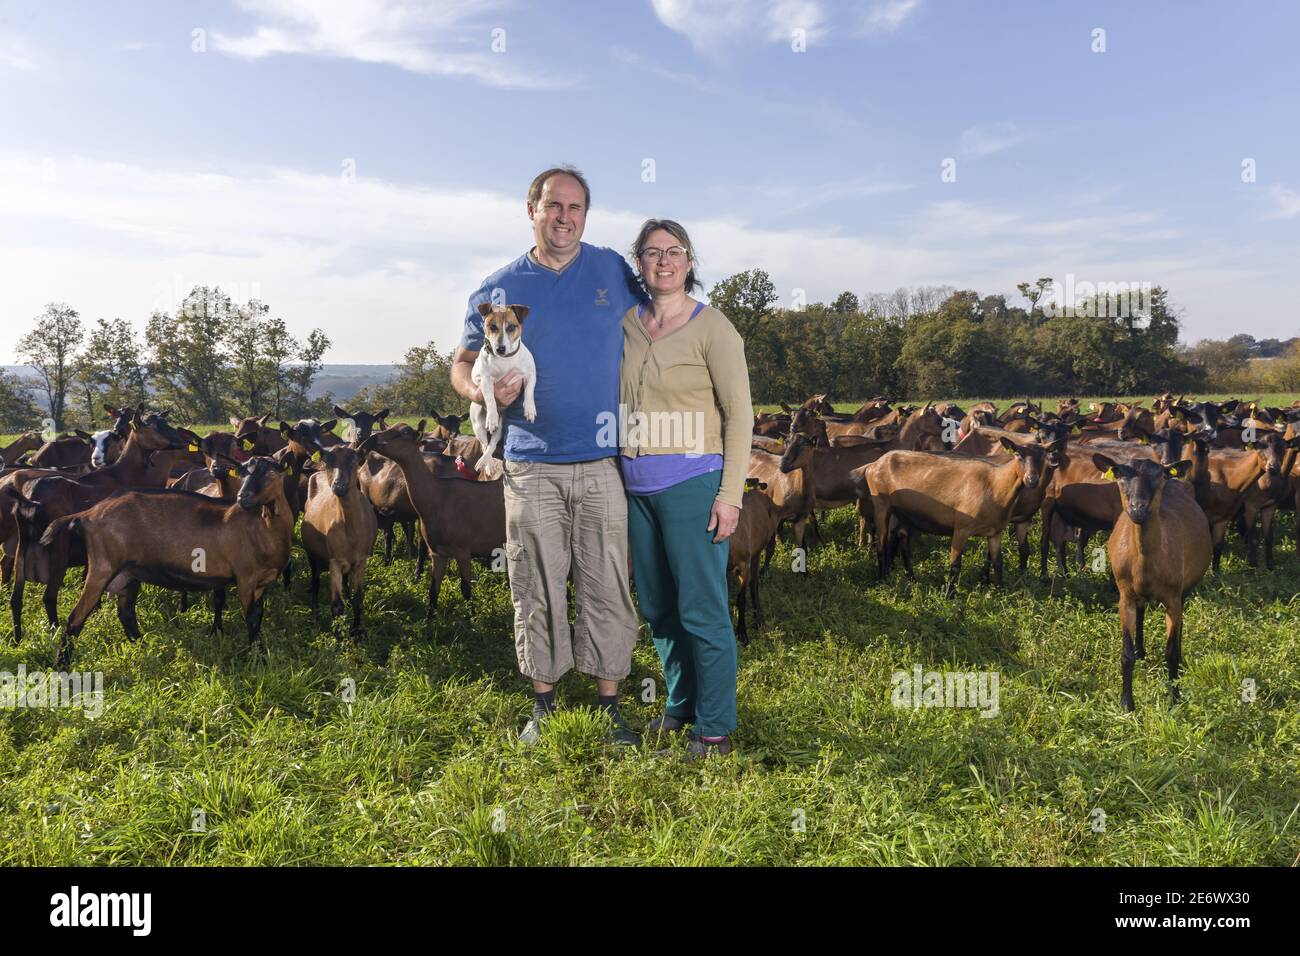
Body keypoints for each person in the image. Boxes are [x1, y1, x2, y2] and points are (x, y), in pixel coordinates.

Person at [451, 166, 645, 746]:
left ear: (586, 214)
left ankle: (610, 707)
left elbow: (660, 315)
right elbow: (461, 365)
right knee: (534, 580)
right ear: (531, 209)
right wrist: (477, 392)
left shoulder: (611, 268)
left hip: (603, 458)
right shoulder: (498, 289)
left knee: (608, 580)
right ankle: (545, 704)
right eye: (554, 205)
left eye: (576, 207)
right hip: (530, 462)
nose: (565, 217)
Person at [620, 219, 753, 760]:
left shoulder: (713, 328)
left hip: (692, 484)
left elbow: (740, 414)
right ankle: (681, 705)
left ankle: (716, 728)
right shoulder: (627, 324)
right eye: (653, 253)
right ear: (640, 265)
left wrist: (731, 494)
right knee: (657, 606)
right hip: (636, 486)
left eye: (675, 251)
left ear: (690, 262)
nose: (664, 260)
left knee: (701, 607)